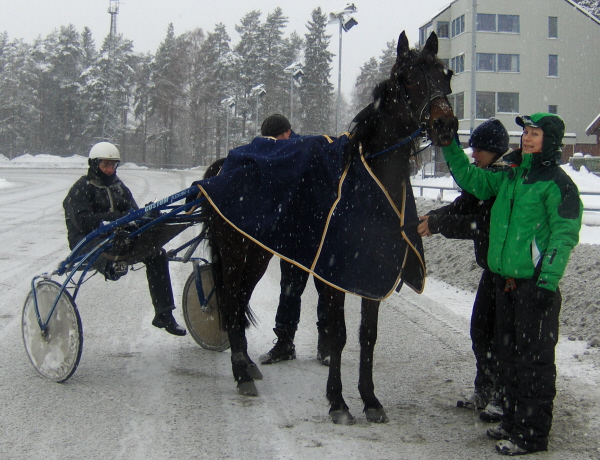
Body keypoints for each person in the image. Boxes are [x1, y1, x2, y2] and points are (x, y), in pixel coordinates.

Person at [440, 113, 582, 455]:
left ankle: (531, 435)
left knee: (534, 363)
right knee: (509, 356)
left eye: (535, 134)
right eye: (526, 133)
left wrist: (546, 280)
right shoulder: (511, 176)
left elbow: (564, 234)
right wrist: (450, 147)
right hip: (506, 283)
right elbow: (473, 179)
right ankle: (514, 421)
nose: (528, 138)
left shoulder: (557, 184)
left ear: (550, 140)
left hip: (535, 286)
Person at [418, 118, 509, 422]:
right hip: (492, 271)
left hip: (509, 274)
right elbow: (462, 207)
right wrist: (433, 215)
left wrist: (438, 225)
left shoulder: (502, 182)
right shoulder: (484, 178)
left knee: (501, 337)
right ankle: (485, 389)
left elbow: (480, 226)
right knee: (480, 331)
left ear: (495, 151)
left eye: (480, 149)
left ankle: (502, 395)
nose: (474, 155)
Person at [63, 141, 186, 336]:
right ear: (94, 165)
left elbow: (133, 214)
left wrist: (146, 217)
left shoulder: (119, 188)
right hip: (86, 240)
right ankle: (112, 266)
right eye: (105, 165)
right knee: (104, 247)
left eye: (113, 165)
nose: (110, 170)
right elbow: (82, 222)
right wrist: (114, 219)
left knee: (157, 254)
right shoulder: (81, 189)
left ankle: (164, 314)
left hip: (116, 238)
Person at [256, 114, 330, 366]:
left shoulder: (309, 149)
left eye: (275, 137)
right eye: (269, 140)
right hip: (293, 237)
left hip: (319, 234)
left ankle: (327, 346)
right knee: (289, 291)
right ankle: (285, 343)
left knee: (327, 291)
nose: (273, 143)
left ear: (288, 131)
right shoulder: (276, 153)